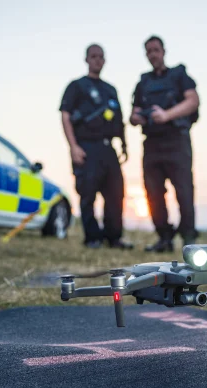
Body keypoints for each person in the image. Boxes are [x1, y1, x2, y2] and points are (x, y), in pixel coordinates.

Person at [129, 35, 200, 252]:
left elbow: (193, 100)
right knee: (153, 193)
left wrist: (166, 115)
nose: (153, 54)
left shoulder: (179, 75)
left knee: (184, 191)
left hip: (176, 141)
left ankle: (188, 237)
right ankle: (164, 238)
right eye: (148, 51)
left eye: (156, 50)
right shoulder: (143, 83)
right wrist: (138, 117)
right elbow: (133, 114)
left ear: (163, 51)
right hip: (152, 143)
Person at [59, 44, 133, 249]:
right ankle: (92, 238)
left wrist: (124, 145)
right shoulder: (76, 86)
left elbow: (119, 120)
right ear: (86, 59)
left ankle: (114, 237)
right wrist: (73, 146)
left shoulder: (110, 90)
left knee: (116, 194)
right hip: (86, 147)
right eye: (93, 56)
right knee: (87, 194)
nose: (97, 60)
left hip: (108, 149)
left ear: (105, 60)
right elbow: (65, 116)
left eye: (101, 56)